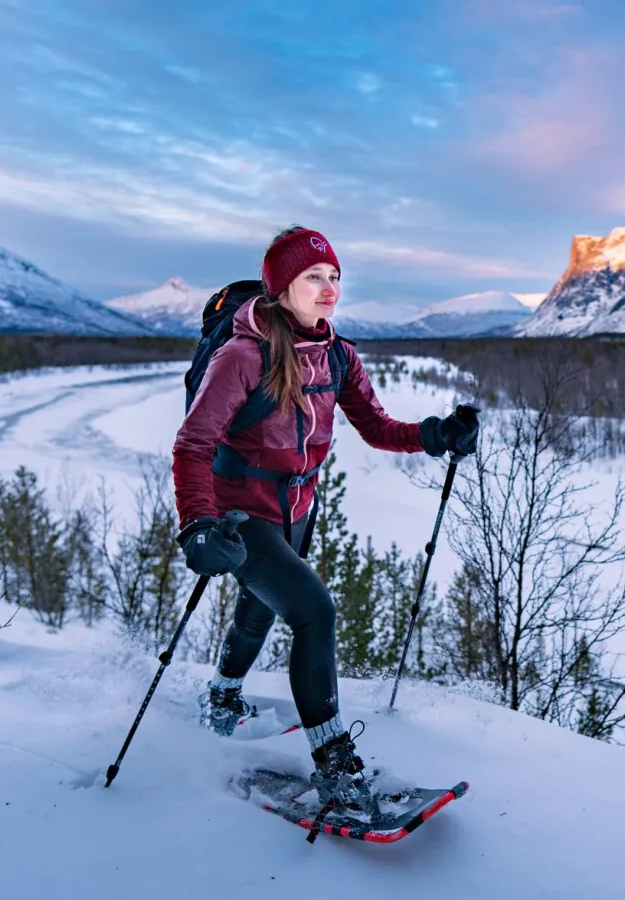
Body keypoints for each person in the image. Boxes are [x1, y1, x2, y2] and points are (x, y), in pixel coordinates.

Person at [171, 225, 478, 805]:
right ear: (282, 284)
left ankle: (222, 694)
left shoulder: (338, 357)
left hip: (297, 508)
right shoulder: (242, 355)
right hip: (241, 513)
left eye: (335, 275)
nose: (329, 287)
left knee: (260, 609)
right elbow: (193, 444)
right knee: (314, 612)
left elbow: (379, 427)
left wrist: (438, 434)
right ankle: (335, 763)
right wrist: (199, 523)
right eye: (314, 276)